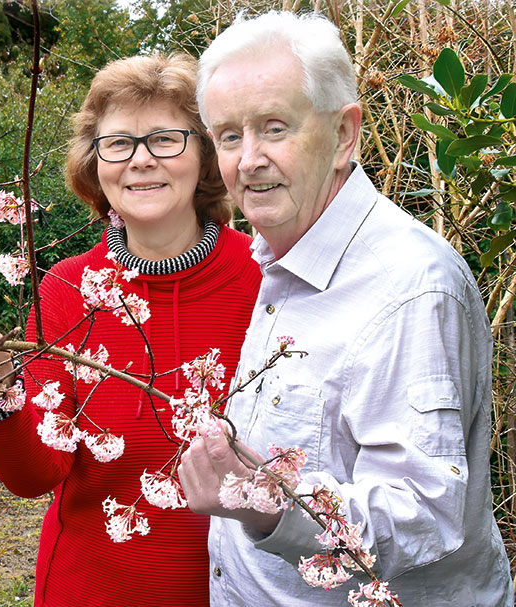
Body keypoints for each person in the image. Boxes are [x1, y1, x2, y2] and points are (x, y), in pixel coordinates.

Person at [177, 10, 513, 607]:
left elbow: (425, 512)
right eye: (229, 135)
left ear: (345, 135)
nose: (248, 158)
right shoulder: (282, 256)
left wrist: (260, 502)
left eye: (274, 128)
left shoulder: (409, 287)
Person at [0, 54, 262, 606]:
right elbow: (35, 474)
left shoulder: (264, 278)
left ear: (204, 156)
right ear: (95, 163)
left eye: (165, 139)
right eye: (118, 143)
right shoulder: (66, 288)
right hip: (90, 588)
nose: (140, 161)